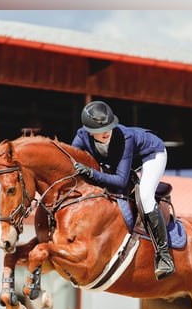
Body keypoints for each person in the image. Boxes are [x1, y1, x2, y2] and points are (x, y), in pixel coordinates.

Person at [71, 100, 175, 280]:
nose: (105, 133)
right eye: (98, 131)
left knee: (145, 195)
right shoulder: (80, 137)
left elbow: (119, 182)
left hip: (152, 153)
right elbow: (71, 165)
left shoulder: (125, 137)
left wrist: (91, 173)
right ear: (89, 132)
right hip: (127, 160)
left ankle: (164, 256)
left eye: (108, 127)